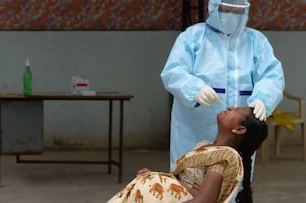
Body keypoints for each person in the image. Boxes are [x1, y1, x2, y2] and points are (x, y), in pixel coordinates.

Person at [160, 0, 284, 173]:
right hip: (194, 127)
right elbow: (173, 72)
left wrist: (264, 99)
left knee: (233, 178)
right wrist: (194, 89)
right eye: (226, 10)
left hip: (237, 133)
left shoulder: (256, 41)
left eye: (237, 11)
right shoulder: (192, 37)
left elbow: (272, 76)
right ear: (213, 7)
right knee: (190, 178)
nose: (231, 15)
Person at [107, 107, 267, 203]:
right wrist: (155, 177)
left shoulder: (223, 159)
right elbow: (184, 183)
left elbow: (203, 201)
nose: (231, 107)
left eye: (237, 110)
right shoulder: (206, 148)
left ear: (239, 130)